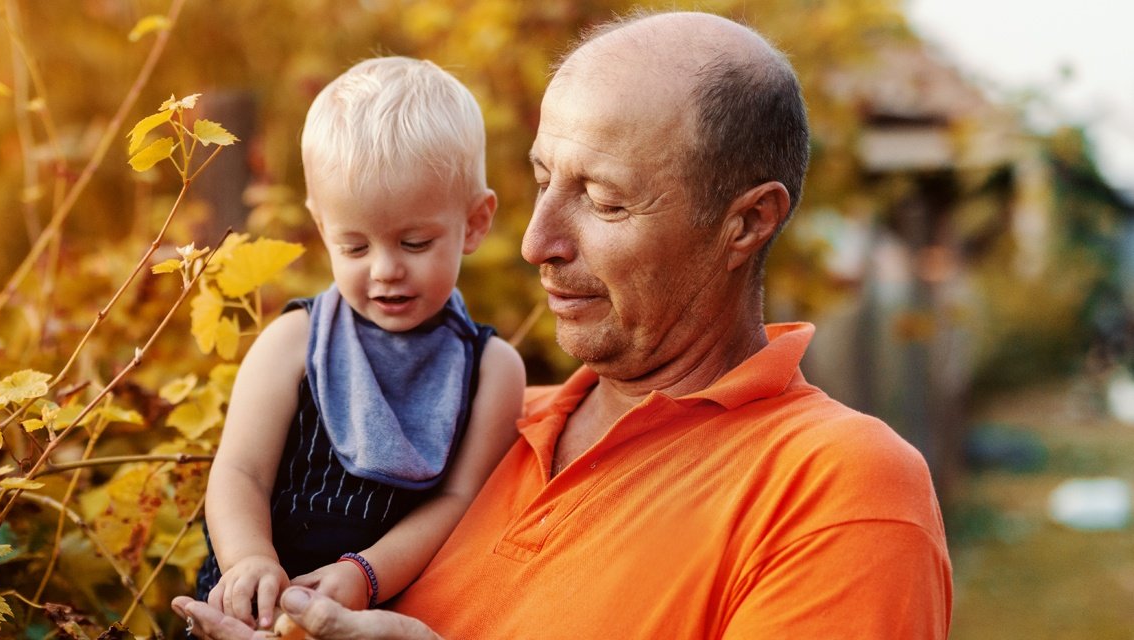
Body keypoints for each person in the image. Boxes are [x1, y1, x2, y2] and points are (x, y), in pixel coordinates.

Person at [175, 11, 953, 639]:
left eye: (604, 200)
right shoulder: (475, 424)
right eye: (542, 181)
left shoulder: (835, 486)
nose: (534, 243)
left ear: (745, 223)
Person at [190, 56, 526, 630]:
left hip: (383, 607)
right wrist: (248, 560)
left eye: (415, 243)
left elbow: (458, 503)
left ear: (474, 223)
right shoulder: (294, 342)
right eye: (354, 247)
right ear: (322, 227)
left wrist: (365, 574)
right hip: (256, 599)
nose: (385, 269)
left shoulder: (493, 370)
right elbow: (240, 470)